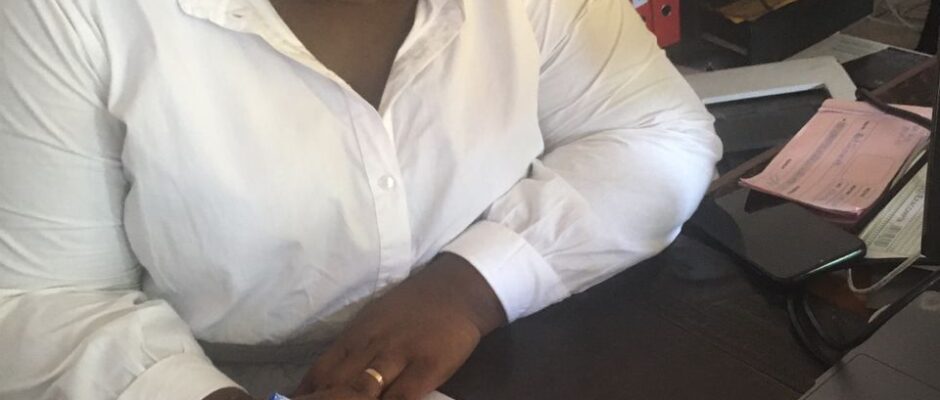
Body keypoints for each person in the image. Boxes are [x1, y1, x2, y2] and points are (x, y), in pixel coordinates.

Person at [0, 0, 722, 399]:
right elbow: (43, 299)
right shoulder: (64, 14)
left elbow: (655, 132)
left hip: (503, 345)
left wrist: (468, 289)